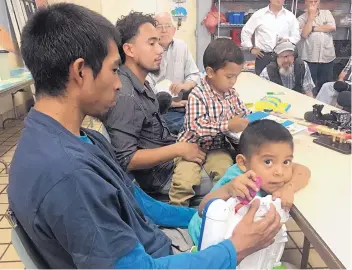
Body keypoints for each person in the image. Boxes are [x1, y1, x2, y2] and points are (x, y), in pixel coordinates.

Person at [7, 4, 285, 269]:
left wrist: (201, 212)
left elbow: (141, 205)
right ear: (81, 71)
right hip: (160, 256)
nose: (118, 84)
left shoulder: (79, 138)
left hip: (156, 243)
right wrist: (236, 249)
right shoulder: (70, 175)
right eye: (115, 69)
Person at [102, 12, 205, 195]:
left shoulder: (142, 82)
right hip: (162, 176)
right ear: (129, 50)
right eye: (151, 43)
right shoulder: (126, 95)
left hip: (169, 157)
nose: (160, 50)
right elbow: (126, 158)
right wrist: (178, 149)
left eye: (159, 42)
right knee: (227, 179)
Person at [188, 119, 310, 246]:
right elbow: (202, 209)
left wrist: (289, 188)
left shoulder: (270, 173)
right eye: (268, 162)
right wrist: (228, 189)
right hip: (204, 238)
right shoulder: (237, 183)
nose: (279, 172)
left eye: (286, 162)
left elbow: (304, 170)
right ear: (243, 163)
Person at [169, 38, 249, 206]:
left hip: (217, 147)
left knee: (226, 173)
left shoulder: (231, 93)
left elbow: (242, 113)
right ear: (210, 72)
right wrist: (227, 125)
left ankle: (218, 208)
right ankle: (177, 211)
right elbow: (196, 127)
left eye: (236, 77)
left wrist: (247, 120)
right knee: (184, 179)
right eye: (229, 76)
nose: (233, 81)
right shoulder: (197, 94)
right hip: (191, 147)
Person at [147, 12, 201, 134]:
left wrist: (185, 85)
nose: (164, 30)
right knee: (188, 126)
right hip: (159, 109)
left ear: (174, 30)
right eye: (159, 26)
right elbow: (146, 87)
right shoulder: (147, 51)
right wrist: (170, 104)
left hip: (183, 105)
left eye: (167, 26)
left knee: (203, 119)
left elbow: (195, 75)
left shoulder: (182, 47)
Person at [241, 0, 300, 75]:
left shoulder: (290, 16)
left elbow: (296, 35)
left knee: (282, 85)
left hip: (284, 57)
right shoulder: (259, 14)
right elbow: (246, 31)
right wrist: (250, 48)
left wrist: (288, 40)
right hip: (264, 57)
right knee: (262, 84)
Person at [298, 0, 336, 95]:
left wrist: (313, 28)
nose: (313, 3)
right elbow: (304, 34)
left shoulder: (327, 13)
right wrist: (311, 17)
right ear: (306, 2)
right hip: (310, 59)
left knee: (327, 87)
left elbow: (332, 27)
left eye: (316, 1)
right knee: (309, 87)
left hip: (327, 57)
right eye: (311, 1)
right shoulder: (301, 18)